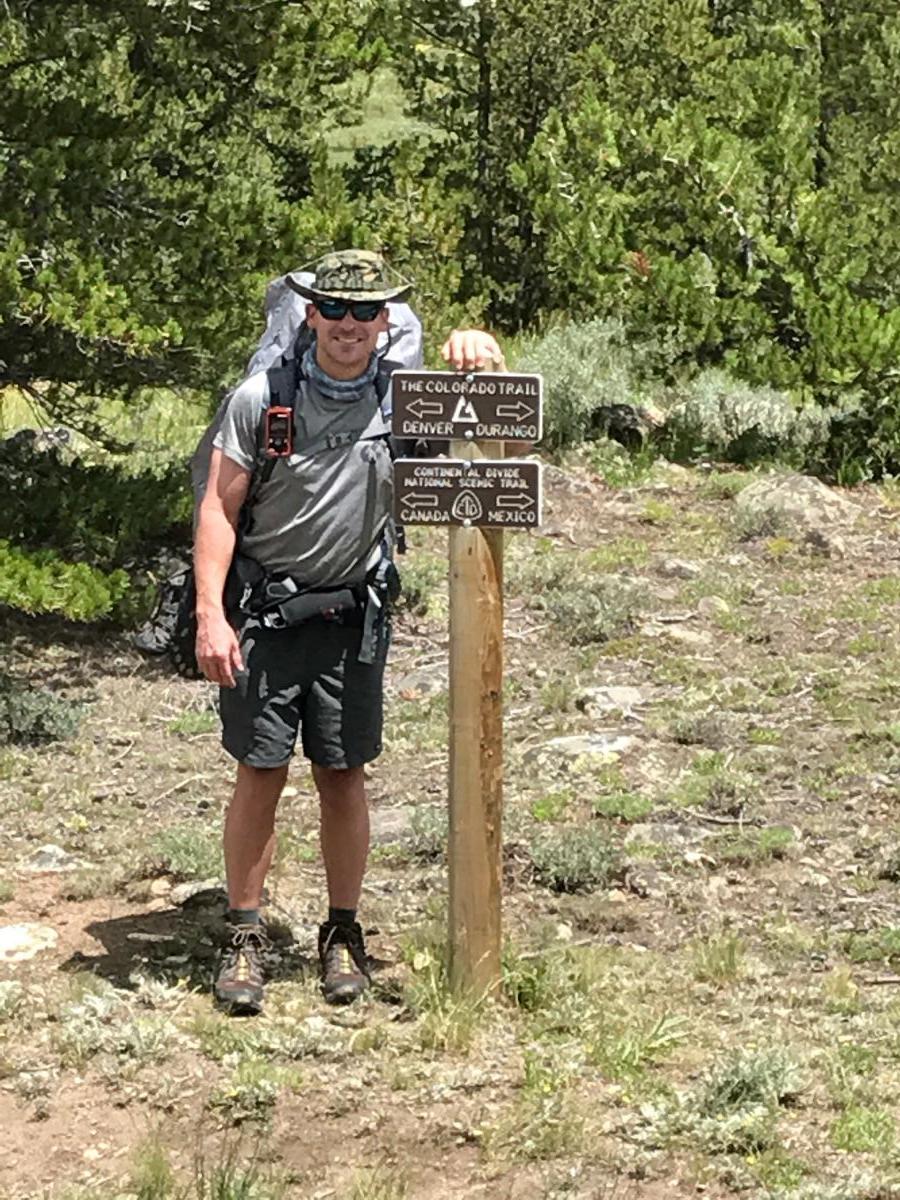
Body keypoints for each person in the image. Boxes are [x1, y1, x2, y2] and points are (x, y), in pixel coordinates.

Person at [194, 249, 502, 1013]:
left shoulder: (407, 400)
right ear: (310, 314)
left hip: (354, 617)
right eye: (335, 309)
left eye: (367, 312)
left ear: (387, 321)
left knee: (343, 774)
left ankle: (342, 934)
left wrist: (478, 351)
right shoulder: (260, 399)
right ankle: (244, 935)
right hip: (267, 618)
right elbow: (218, 510)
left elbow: (485, 444)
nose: (350, 325)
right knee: (260, 774)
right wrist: (210, 614)